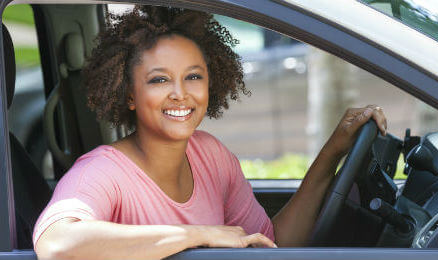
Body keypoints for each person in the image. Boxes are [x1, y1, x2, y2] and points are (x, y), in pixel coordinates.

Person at [33, 5, 388, 260]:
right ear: (129, 94)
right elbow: (57, 243)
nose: (180, 93)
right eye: (159, 79)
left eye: (193, 76)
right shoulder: (103, 171)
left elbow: (271, 243)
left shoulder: (210, 156)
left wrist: (332, 152)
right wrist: (198, 236)